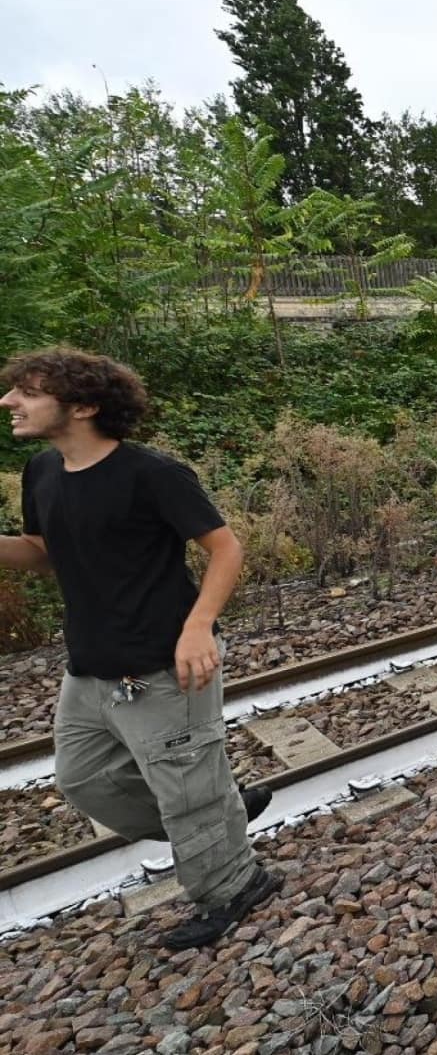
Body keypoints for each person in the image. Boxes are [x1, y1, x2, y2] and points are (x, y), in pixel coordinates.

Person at [0, 349, 279, 949]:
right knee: (83, 779)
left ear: (84, 406)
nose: (9, 401)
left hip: (163, 664)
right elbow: (43, 552)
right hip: (91, 665)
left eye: (27, 391)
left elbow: (225, 549)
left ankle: (235, 886)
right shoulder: (42, 472)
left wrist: (198, 625)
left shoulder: (152, 475)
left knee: (187, 795)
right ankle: (220, 815)